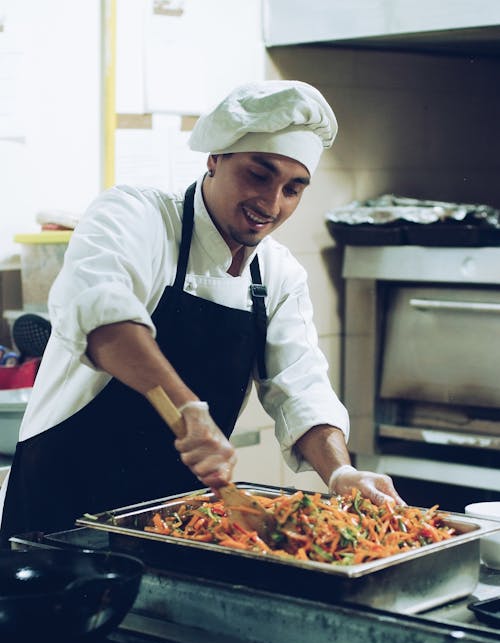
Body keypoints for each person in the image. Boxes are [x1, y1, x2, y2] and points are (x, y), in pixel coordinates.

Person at [0, 80, 402, 545]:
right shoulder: (136, 215)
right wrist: (188, 411)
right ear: (215, 157)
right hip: (59, 519)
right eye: (258, 174)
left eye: (293, 189)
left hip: (171, 531)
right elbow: (101, 315)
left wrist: (340, 472)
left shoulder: (278, 274)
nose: (271, 205)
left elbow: (302, 388)